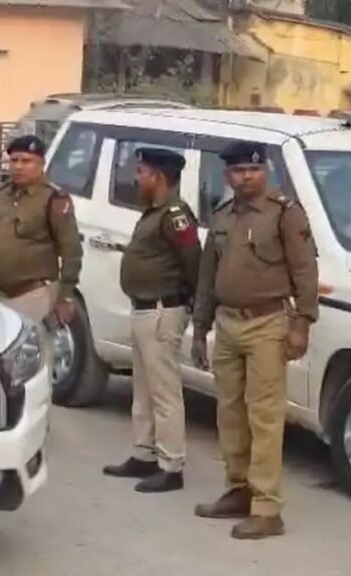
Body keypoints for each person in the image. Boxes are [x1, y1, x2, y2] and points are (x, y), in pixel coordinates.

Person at [191, 140, 319, 540]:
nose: (246, 177)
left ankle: (266, 508)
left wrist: (302, 324)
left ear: (265, 171)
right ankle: (238, 489)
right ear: (227, 175)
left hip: (268, 323)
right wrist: (200, 329)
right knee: (229, 412)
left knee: (264, 416)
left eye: (253, 170)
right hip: (228, 324)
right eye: (238, 171)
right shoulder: (223, 216)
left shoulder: (285, 214)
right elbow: (208, 278)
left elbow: (305, 271)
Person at [102, 148, 201, 493]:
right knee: (143, 389)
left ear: (157, 177)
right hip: (144, 309)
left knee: (164, 392)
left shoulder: (175, 215)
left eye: (141, 172)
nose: (136, 178)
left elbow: (193, 261)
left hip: (162, 311)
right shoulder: (153, 213)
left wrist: (188, 303)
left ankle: (171, 465)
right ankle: (144, 454)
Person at [0, 134, 83, 356]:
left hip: (34, 295)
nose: (19, 166)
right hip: (0, 295)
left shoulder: (53, 199)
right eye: (14, 160)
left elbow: (72, 251)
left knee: (34, 359)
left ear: (41, 164)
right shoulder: (5, 193)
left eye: (26, 161)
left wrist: (65, 297)